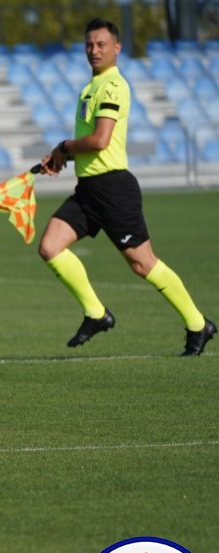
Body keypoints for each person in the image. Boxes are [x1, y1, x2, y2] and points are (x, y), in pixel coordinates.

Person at [38, 17, 215, 355]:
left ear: (116, 48)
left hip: (113, 188)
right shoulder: (88, 89)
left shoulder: (113, 86)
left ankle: (198, 324)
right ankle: (96, 313)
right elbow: (94, 145)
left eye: (101, 44)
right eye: (89, 44)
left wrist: (65, 147)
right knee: (50, 246)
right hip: (89, 189)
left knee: (143, 264)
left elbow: (101, 140)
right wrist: (61, 158)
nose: (94, 50)